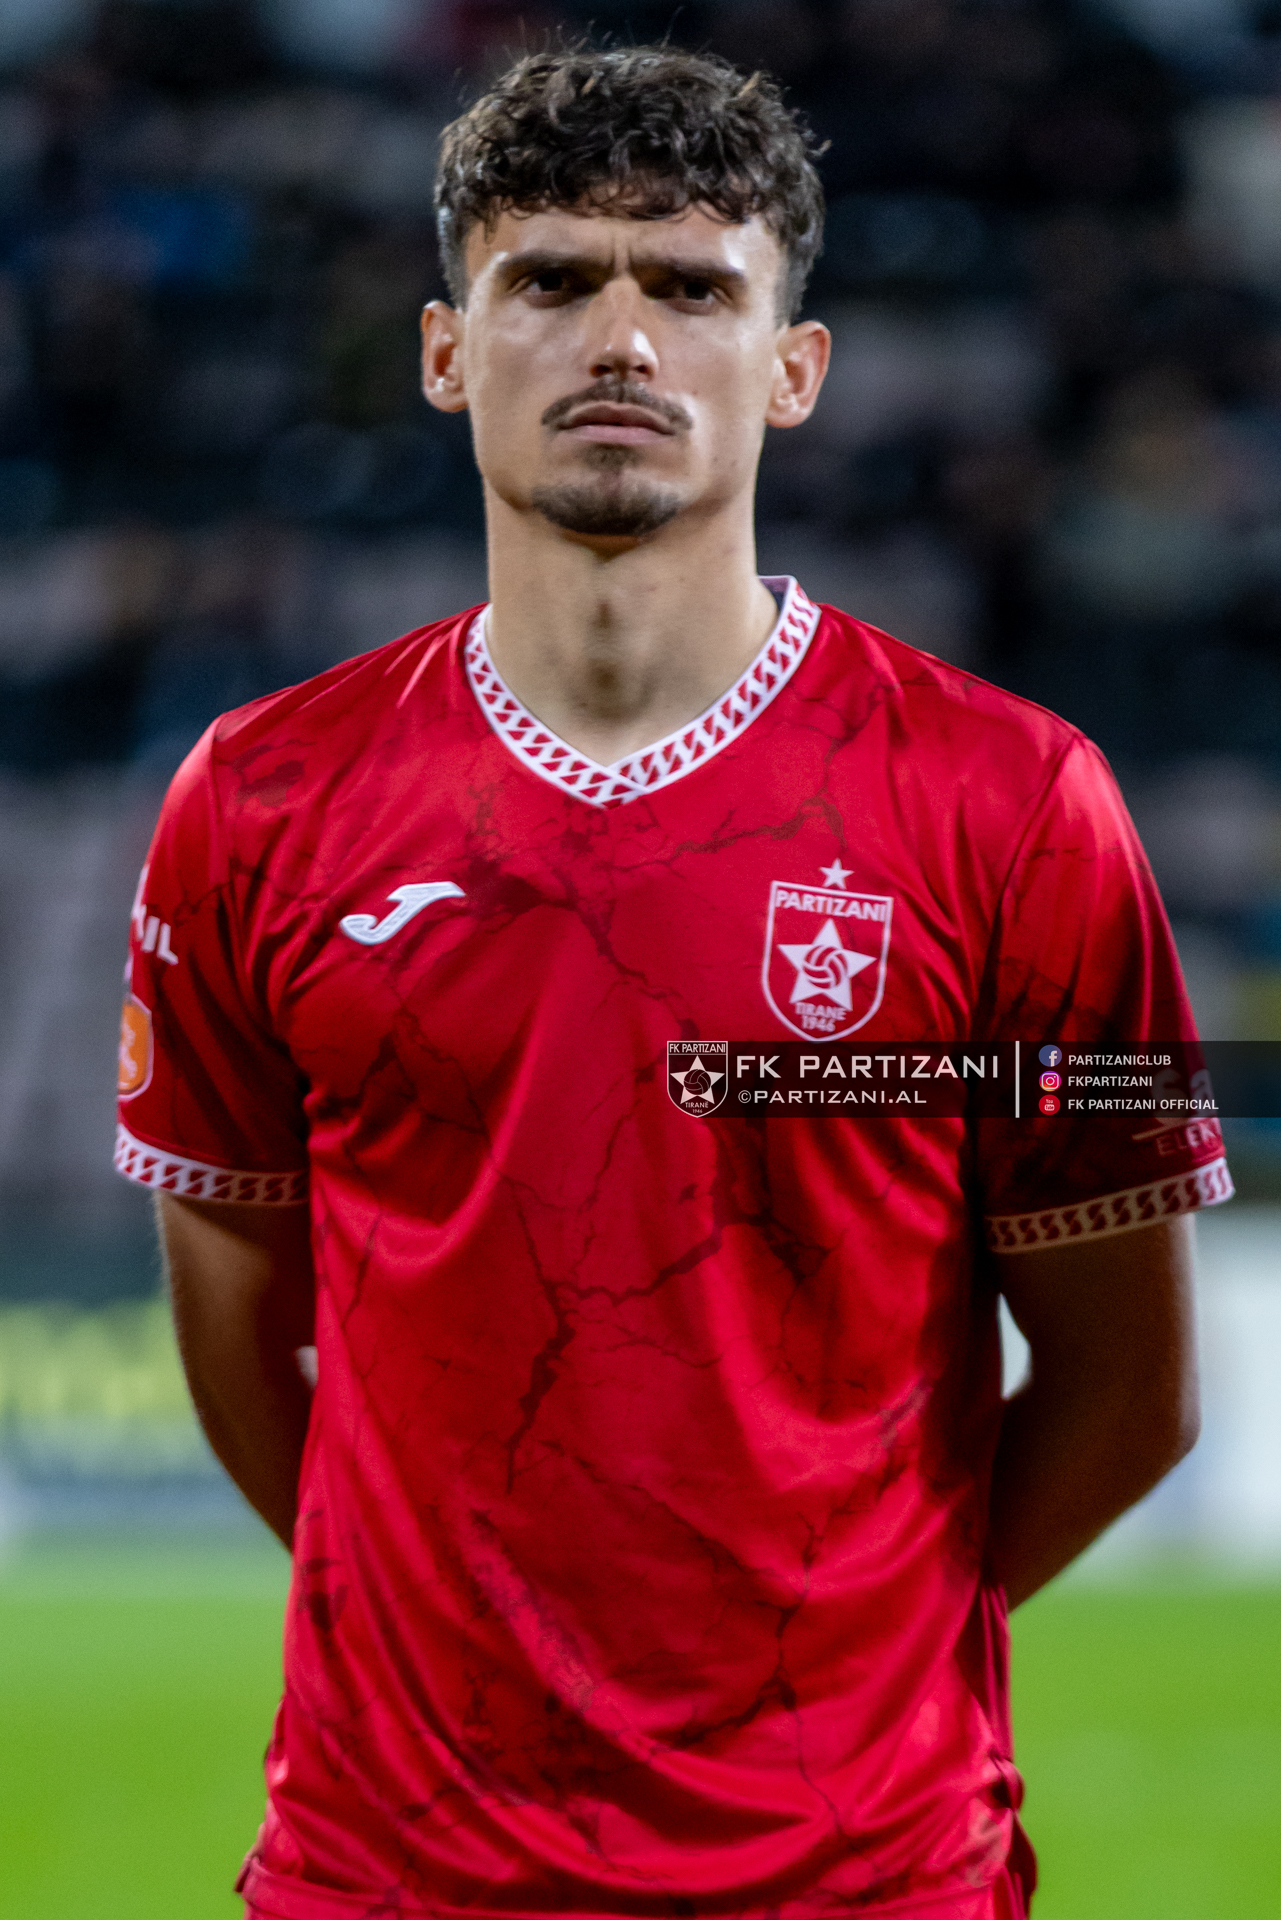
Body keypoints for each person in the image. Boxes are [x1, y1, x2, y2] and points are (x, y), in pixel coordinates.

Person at [114, 45, 1232, 1920]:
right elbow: (236, 1318)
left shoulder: (1021, 802)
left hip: (864, 1875)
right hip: (390, 1872)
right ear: (445, 351)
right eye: (550, 280)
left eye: (694, 290)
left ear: (792, 369)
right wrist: (432, 1654)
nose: (620, 340)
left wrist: (851, 1663)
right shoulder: (256, 797)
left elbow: (1135, 1389)